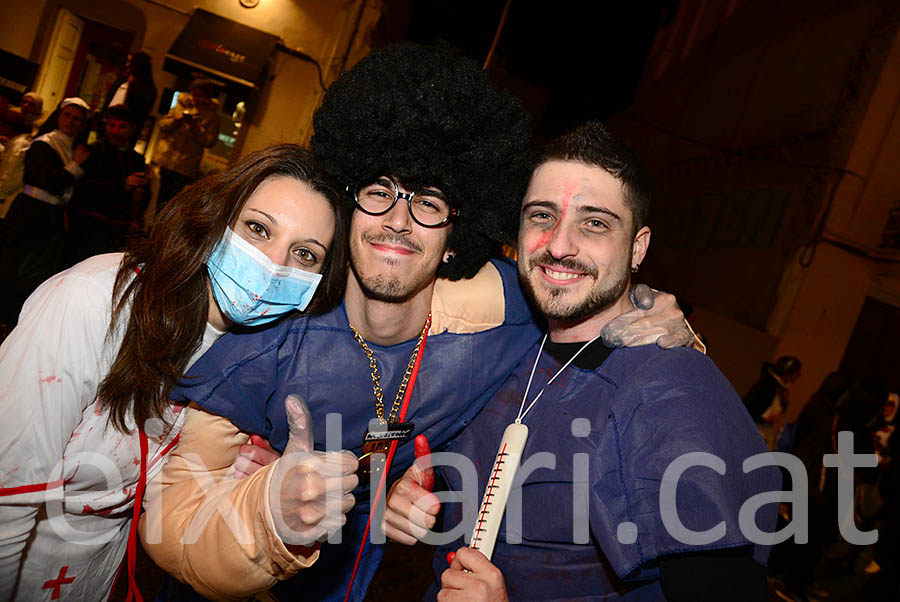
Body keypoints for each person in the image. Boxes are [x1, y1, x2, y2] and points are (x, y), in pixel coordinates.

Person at [140, 43, 697, 602]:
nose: (399, 221)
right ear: (347, 205)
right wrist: (268, 511)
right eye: (379, 192)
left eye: (428, 203)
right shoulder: (268, 336)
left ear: (455, 238)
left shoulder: (510, 317)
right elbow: (171, 518)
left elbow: (581, 289)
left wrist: (648, 308)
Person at [385, 121, 780, 601]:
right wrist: (413, 499)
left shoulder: (674, 395)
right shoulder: (501, 339)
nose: (559, 245)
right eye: (541, 216)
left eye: (594, 223)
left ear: (638, 247)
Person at [0, 144, 354, 602]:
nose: (273, 264)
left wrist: (252, 492)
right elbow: (8, 495)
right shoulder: (94, 302)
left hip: (95, 576)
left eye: (305, 254)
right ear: (216, 219)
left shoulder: (260, 361)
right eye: (257, 228)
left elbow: (181, 510)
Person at [0, 97, 91, 330]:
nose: (71, 121)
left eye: (77, 119)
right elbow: (49, 182)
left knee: (36, 273)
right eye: (67, 115)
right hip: (30, 213)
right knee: (15, 267)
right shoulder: (44, 144)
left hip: (53, 217)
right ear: (58, 116)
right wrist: (74, 166)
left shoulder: (77, 148)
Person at [64, 105, 150, 265]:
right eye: (111, 125)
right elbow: (82, 189)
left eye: (122, 127)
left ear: (131, 130)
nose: (115, 131)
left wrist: (141, 191)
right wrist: (122, 186)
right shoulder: (92, 152)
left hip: (117, 234)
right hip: (86, 230)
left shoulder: (137, 159)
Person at [154, 78, 219, 212]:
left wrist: (195, 128)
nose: (197, 98)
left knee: (172, 199)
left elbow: (210, 141)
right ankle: (153, 224)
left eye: (201, 95)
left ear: (207, 97)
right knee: (160, 193)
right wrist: (176, 121)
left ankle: (162, 225)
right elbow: (162, 126)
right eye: (194, 94)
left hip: (186, 163)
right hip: (167, 156)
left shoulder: (212, 116)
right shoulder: (181, 105)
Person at [0, 92, 44, 220]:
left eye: (31, 104)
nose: (26, 106)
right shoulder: (13, 118)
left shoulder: (34, 132)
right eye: (24, 102)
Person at [743, 355, 802, 449]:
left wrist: (784, 402)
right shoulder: (767, 384)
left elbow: (775, 411)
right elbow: (750, 406)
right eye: (797, 373)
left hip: (764, 428)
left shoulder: (780, 388)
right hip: (753, 427)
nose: (798, 376)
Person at [101, 51, 157, 146]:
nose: (127, 65)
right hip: (108, 125)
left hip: (125, 134)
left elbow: (140, 112)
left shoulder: (147, 89)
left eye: (130, 62)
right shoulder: (121, 80)